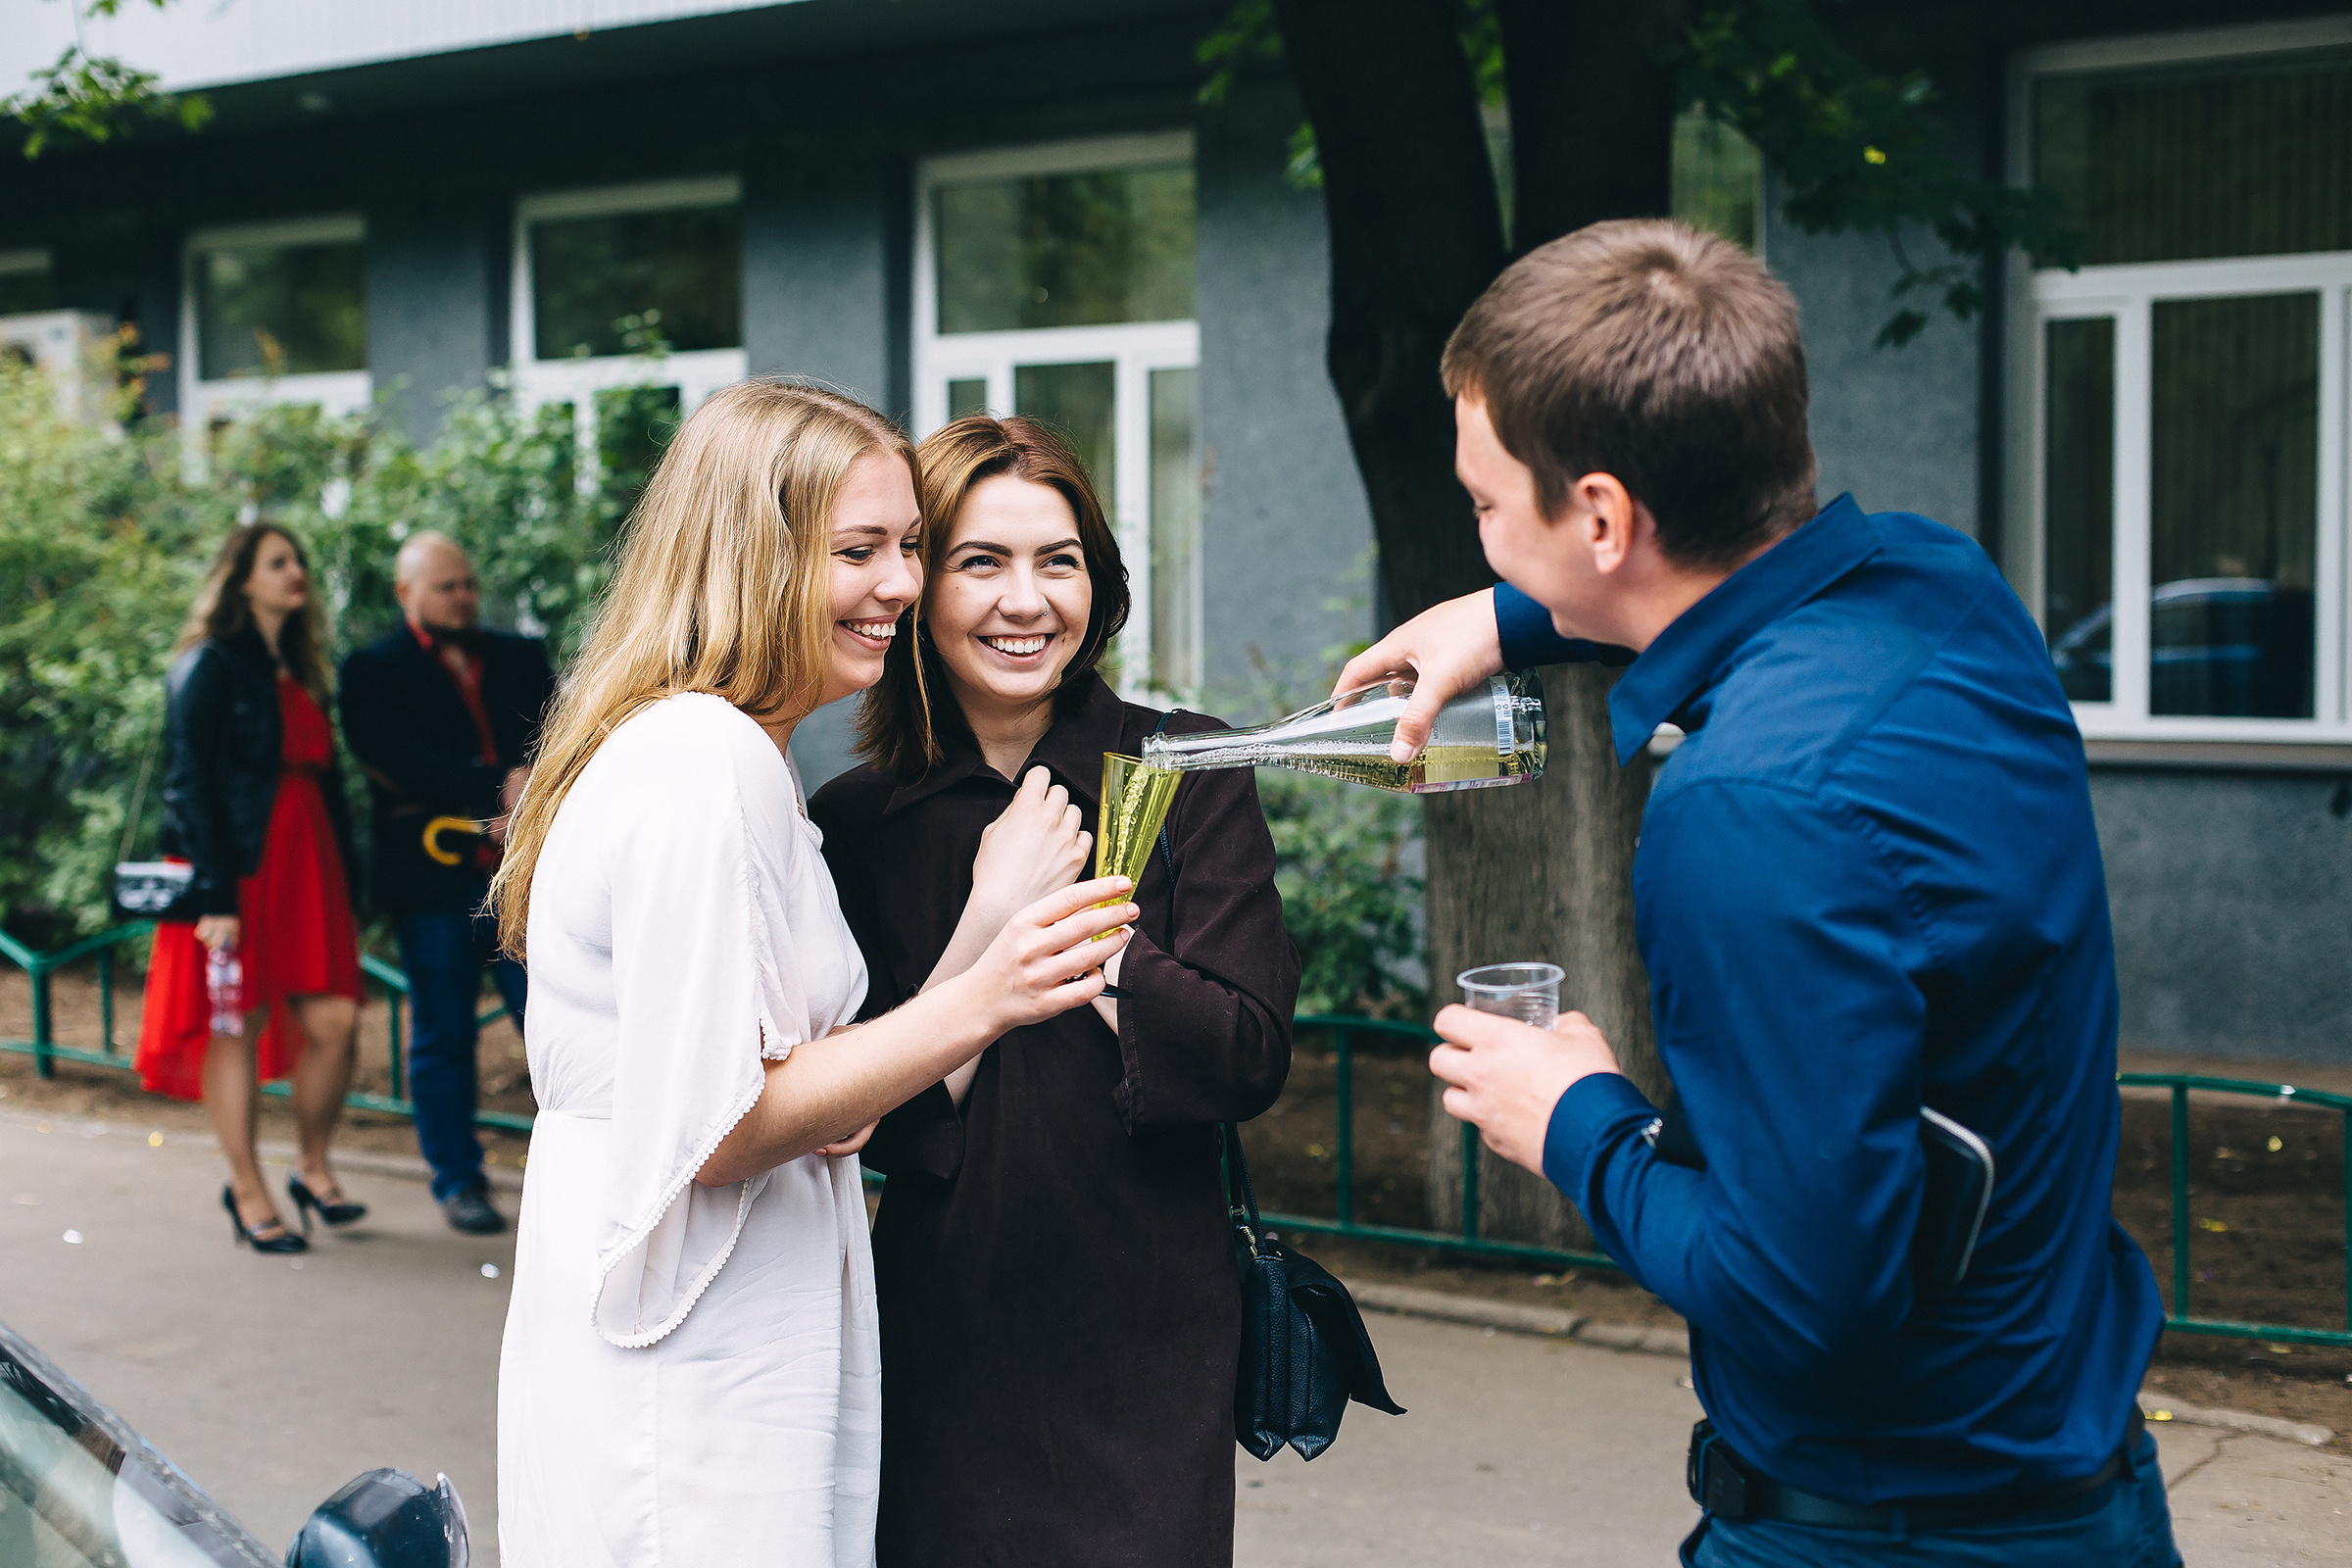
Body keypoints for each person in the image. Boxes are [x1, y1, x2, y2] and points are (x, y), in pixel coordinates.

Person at [1343, 221, 2178, 1566]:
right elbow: (1740, 578)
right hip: (2074, 1483)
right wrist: (1507, 615)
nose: (1482, 534)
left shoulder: (1750, 812)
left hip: (1887, 1532)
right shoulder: (1947, 590)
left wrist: (1574, 1122)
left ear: (1605, 515)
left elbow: (1802, 1300)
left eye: (1490, 507)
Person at [490, 380, 1138, 1567]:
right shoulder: (704, 761)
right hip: (695, 1342)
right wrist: (995, 985)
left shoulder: (727, 753)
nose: (900, 583)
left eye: (906, 547)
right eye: (860, 550)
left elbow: (810, 1100)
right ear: (755, 553)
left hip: (727, 1311)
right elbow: (727, 1125)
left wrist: (972, 945)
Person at [809, 414, 1298, 1568]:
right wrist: (988, 917)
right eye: (982, 562)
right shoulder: (854, 824)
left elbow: (1244, 1054)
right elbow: (875, 1123)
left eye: (1058, 561)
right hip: (944, 1323)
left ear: (1098, 582)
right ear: (919, 587)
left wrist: (1084, 939)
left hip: (1149, 1323)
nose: (1025, 603)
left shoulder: (1185, 768)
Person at [135, 524, 368, 1253]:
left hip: (308, 867)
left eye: (298, 559)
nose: (295, 571)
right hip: (239, 870)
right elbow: (188, 783)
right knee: (236, 1027)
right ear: (241, 580)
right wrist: (215, 896)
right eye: (277, 562)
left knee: (334, 1023)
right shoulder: (208, 664)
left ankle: (310, 1164)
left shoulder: (299, 667)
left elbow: (325, 784)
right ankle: (247, 1188)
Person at [339, 531, 556, 1234]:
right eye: (445, 587)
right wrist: (496, 788)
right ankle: (458, 1179)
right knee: (443, 1032)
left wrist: (531, 795)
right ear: (407, 595)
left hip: (526, 874)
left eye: (466, 584)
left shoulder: (519, 656)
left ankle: (577, 1176)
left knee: (554, 1023)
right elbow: (394, 759)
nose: (462, 598)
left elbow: (557, 734)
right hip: (435, 881)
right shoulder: (372, 669)